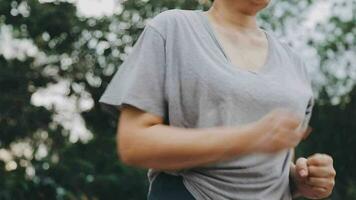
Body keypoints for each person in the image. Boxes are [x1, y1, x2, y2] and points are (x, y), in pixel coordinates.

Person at [99, 0, 336, 199]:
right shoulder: (172, 28)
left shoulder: (294, 63)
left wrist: (300, 180)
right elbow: (134, 144)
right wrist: (246, 138)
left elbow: (275, 164)